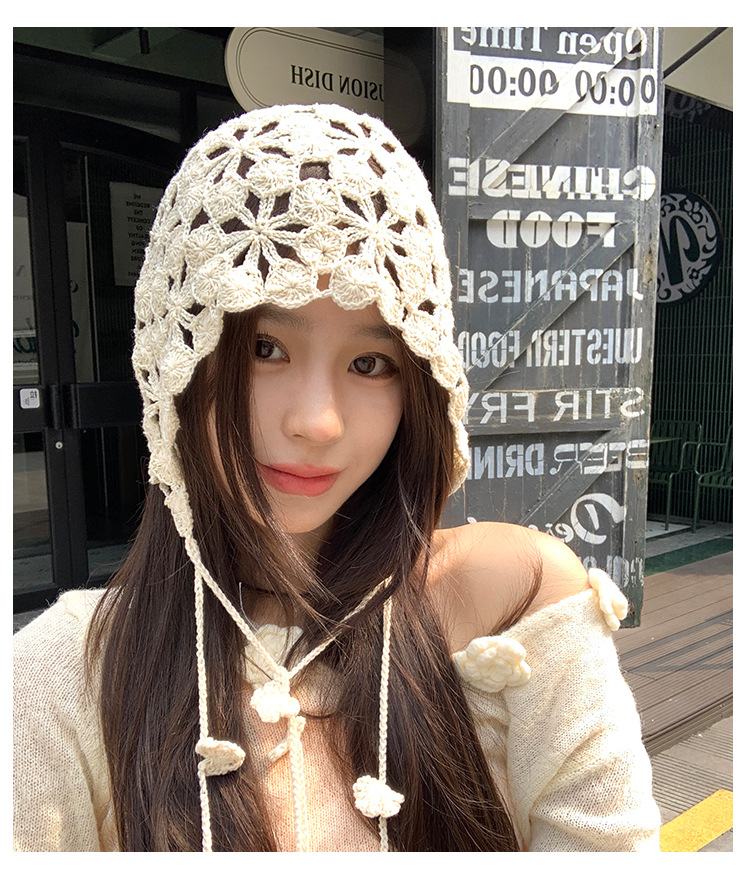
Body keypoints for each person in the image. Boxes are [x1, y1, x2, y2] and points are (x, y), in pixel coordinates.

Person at [13, 103, 661, 853]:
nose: (317, 422)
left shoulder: (515, 602)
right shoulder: (62, 678)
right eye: (264, 347)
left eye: (370, 362)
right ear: (177, 364)